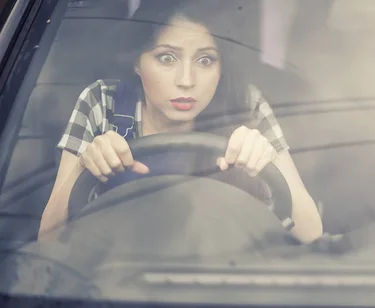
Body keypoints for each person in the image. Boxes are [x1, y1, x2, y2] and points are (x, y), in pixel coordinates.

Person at [38, 0, 323, 244]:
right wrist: (84, 165)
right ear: (137, 62)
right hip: (114, 283)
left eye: (205, 61)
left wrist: (266, 161)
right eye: (167, 57)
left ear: (221, 67)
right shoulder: (103, 103)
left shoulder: (245, 105)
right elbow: (49, 240)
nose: (186, 81)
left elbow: (310, 233)